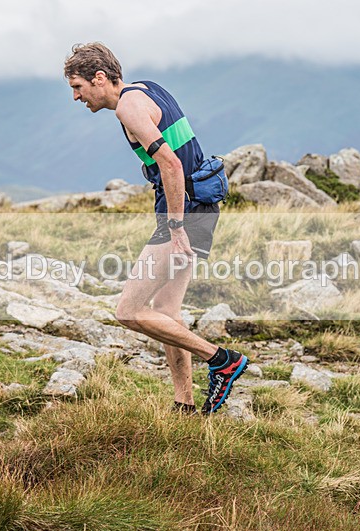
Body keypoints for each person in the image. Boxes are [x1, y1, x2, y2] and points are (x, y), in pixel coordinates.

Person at [64, 42, 249, 415]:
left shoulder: (129, 108)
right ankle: (184, 403)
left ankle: (222, 360)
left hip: (184, 210)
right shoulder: (146, 88)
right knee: (166, 310)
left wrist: (176, 228)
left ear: (99, 78)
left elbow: (171, 165)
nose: (76, 97)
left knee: (129, 312)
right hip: (200, 205)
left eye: (78, 86)